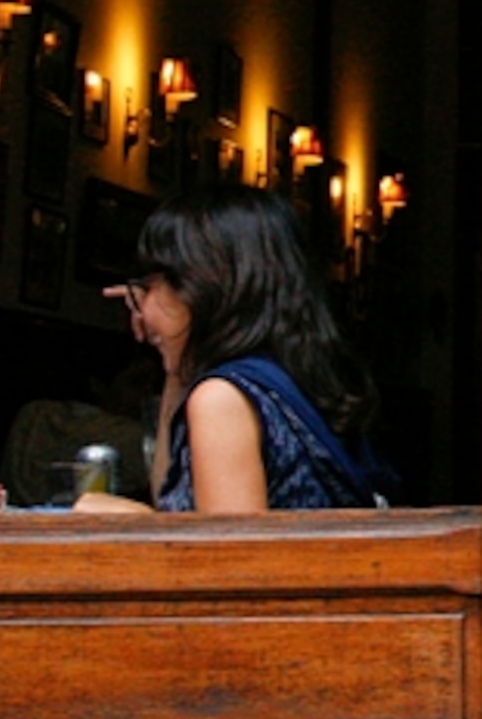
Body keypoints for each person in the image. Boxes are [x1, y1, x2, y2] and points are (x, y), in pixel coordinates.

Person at [96, 185, 398, 513]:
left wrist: (131, 521)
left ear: (202, 287)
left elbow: (230, 556)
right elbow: (174, 499)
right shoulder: (288, 381)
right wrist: (175, 362)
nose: (141, 310)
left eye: (150, 285)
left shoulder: (222, 399)